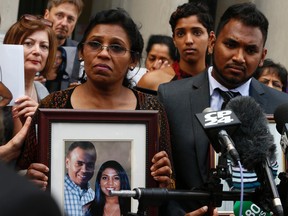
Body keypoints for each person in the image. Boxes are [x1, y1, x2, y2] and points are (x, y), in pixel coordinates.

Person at [18, 8, 174, 200]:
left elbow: (170, 182)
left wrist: (164, 179)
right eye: (95, 44)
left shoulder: (152, 109)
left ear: (133, 59)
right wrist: (29, 179)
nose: (104, 53)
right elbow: (23, 170)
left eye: (116, 47)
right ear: (82, 52)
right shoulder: (52, 105)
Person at [158, 2, 288, 215]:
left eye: (250, 50)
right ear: (212, 42)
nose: (239, 57)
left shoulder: (281, 106)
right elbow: (162, 181)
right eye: (230, 44)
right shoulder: (171, 97)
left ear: (263, 56)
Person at [1, 14, 57, 164]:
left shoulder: (43, 92)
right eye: (29, 43)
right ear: (12, 46)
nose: (37, 51)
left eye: (44, 46)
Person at [137, 2, 215, 93]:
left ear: (211, 39)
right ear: (174, 40)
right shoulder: (152, 82)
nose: (188, 40)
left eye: (197, 33)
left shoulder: (218, 83)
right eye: (180, 34)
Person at [44, 0, 84, 85]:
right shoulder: (28, 47)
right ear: (46, 15)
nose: (64, 23)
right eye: (59, 16)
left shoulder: (81, 53)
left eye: (70, 19)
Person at [65, 141, 97, 216]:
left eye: (90, 165)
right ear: (67, 163)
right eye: (79, 164)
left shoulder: (94, 197)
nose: (84, 170)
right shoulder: (52, 189)